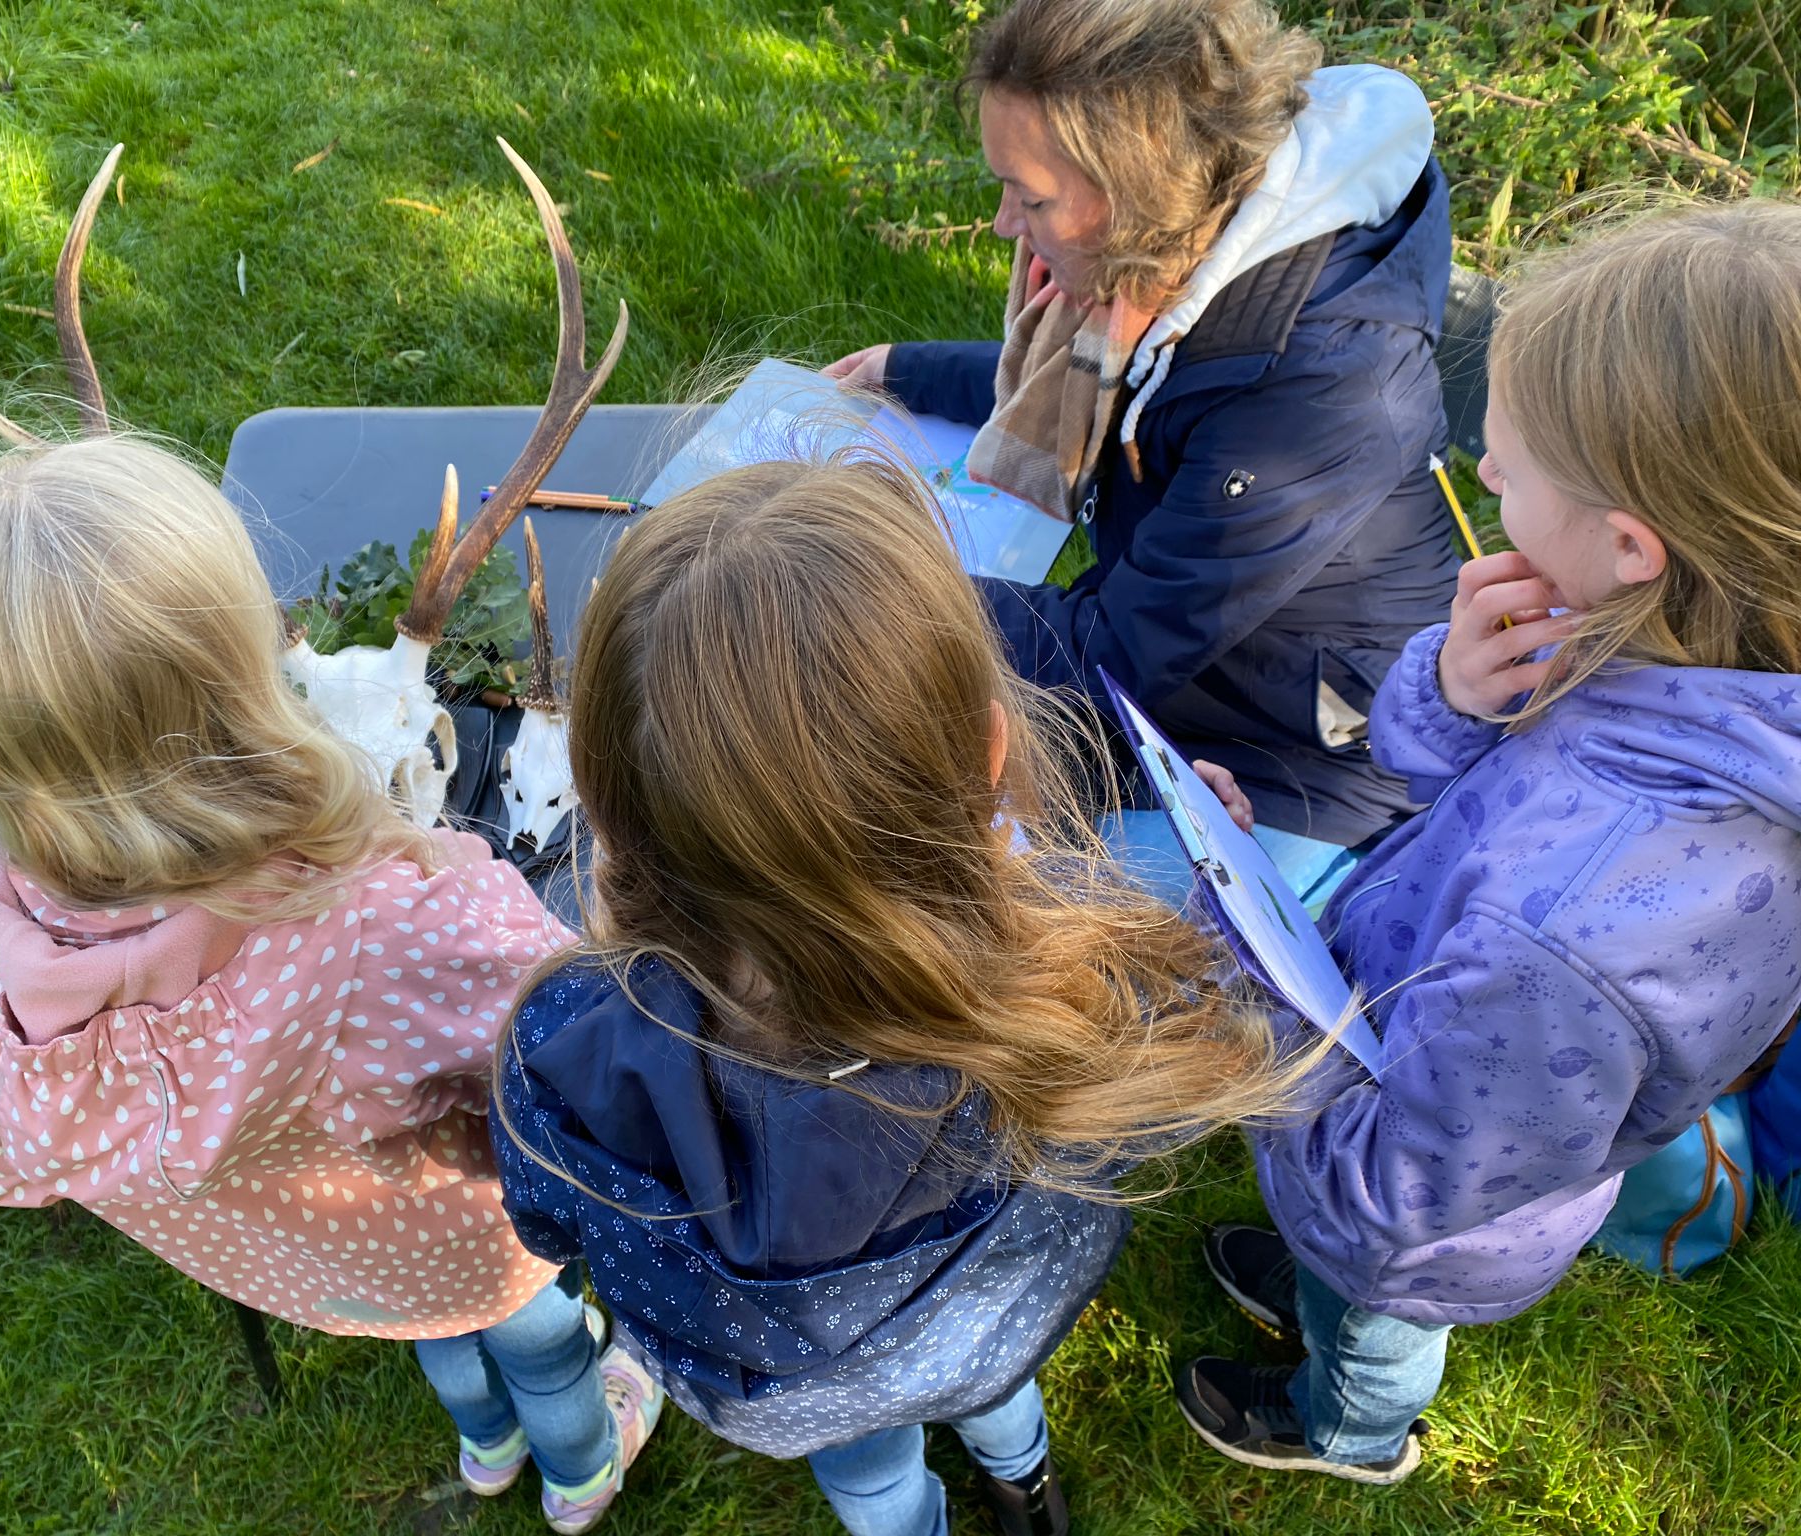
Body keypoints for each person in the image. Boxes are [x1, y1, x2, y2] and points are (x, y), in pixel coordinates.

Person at [489, 454, 1323, 1536]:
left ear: (597, 797)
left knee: (871, 1471)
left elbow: (544, 1223)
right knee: (989, 1394)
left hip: (792, 1391)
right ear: (988, 750)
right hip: (985, 1331)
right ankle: (1021, 1478)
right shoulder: (1080, 989)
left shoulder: (559, 1047)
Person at [0, 437, 658, 1534]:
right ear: (243, 676)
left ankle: (484, 1448)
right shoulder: (386, 922)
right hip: (464, 1243)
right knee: (537, 1340)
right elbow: (597, 1059)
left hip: (306, 1265)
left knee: (431, 1339)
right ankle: (580, 1471)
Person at [1175, 201, 1801, 1483]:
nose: (1482, 481)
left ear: (1631, 545)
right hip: (1450, 1050)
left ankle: (1346, 1426)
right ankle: (1314, 1302)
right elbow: (1454, 791)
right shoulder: (1687, 653)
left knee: (1370, 1305)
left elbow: (1390, 1194)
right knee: (1337, 1269)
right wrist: (1452, 696)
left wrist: (1245, 960)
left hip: (1435, 1208)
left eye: (1501, 469)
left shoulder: (1562, 938)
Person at [826, 0, 1458, 900]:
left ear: (1142, 189)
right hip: (1188, 681)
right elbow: (1100, 386)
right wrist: (905, 369)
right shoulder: (1191, 258)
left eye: (1033, 196)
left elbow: (1115, 647)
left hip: (1301, 772)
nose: (1006, 223)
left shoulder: (1321, 386)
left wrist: (862, 583)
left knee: (947, 906)